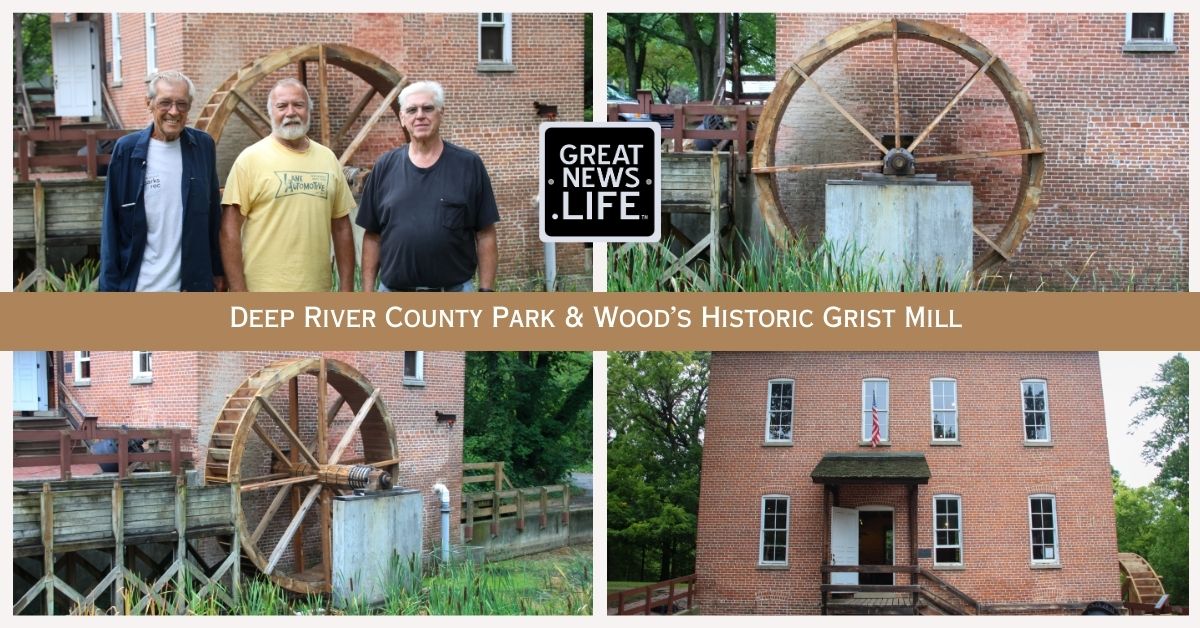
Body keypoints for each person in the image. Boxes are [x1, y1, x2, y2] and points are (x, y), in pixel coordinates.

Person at [356, 80, 499, 292]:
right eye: (412, 110)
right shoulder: (384, 166)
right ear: (403, 118)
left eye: (428, 108)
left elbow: (485, 234)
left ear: (441, 113)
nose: (420, 115)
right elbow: (372, 237)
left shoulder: (469, 165)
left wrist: (486, 292)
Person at [220, 78, 356, 291]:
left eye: (298, 105)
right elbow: (229, 231)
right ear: (271, 112)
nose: (290, 112)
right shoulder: (250, 159)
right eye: (282, 106)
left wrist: (347, 290)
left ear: (309, 110)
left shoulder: (328, 158)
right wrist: (238, 293)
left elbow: (341, 227)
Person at [100, 71, 223, 291]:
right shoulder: (126, 151)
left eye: (182, 104)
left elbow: (213, 217)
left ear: (190, 106)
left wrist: (217, 271)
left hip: (192, 288)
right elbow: (111, 226)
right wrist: (109, 288)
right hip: (140, 287)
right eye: (165, 103)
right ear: (149, 103)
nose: (174, 112)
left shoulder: (203, 147)